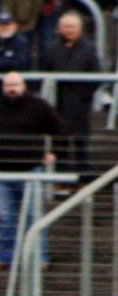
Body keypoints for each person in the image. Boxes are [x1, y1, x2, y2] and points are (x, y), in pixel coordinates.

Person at [0, 71, 60, 268]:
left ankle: (40, 257)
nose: (12, 89)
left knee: (34, 215)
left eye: (15, 85)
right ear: (3, 87)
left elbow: (59, 128)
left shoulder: (39, 106)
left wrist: (55, 153)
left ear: (23, 85)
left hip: (31, 170)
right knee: (5, 216)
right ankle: (4, 257)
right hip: (2, 170)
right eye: (8, 85)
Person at [39, 11, 100, 181]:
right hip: (56, 104)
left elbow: (96, 76)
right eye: (65, 26)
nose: (69, 30)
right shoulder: (51, 48)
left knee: (81, 144)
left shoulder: (89, 48)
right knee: (59, 144)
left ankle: (84, 180)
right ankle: (60, 181)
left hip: (80, 104)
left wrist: (83, 95)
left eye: (72, 26)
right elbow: (43, 73)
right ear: (59, 28)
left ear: (79, 29)